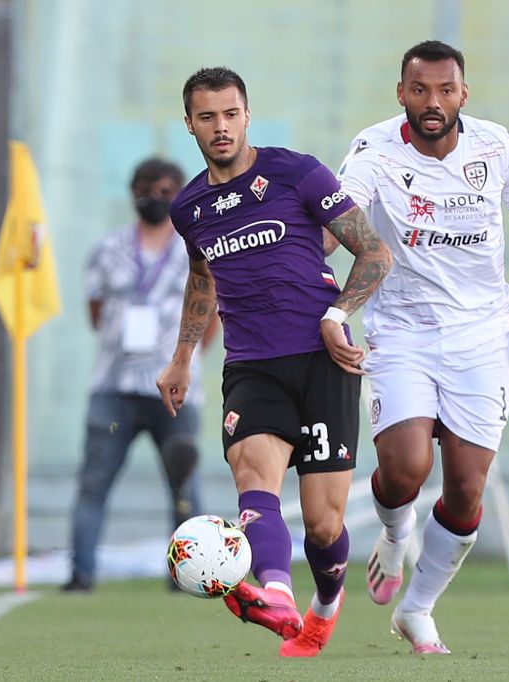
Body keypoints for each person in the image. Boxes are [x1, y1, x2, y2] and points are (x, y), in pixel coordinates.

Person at [157, 67, 392, 657]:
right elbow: (202, 278)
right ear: (189, 124)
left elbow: (373, 250)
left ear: (247, 114)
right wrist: (183, 356)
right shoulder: (189, 207)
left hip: (322, 360)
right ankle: (277, 596)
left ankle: (325, 604)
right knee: (252, 473)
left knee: (323, 525)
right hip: (253, 366)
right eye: (207, 117)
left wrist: (337, 314)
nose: (221, 127)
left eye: (230, 113)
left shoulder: (295, 171)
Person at [337, 40, 509, 654]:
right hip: (402, 329)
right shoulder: (373, 150)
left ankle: (419, 608)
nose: (432, 103)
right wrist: (327, 304)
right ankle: (393, 529)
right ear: (400, 92)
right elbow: (339, 223)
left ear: (464, 94)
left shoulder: (497, 147)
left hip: (483, 336)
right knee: (406, 469)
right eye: (419, 90)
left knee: (465, 489)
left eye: (445, 90)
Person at [62, 158, 218, 593]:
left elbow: (211, 315)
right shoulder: (107, 250)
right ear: (132, 193)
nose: (157, 197)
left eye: (168, 190)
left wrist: (183, 359)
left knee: (184, 486)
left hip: (174, 389)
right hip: (114, 387)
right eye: (148, 188)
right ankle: (81, 572)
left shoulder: (196, 248)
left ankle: (191, 575)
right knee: (94, 482)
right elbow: (95, 312)